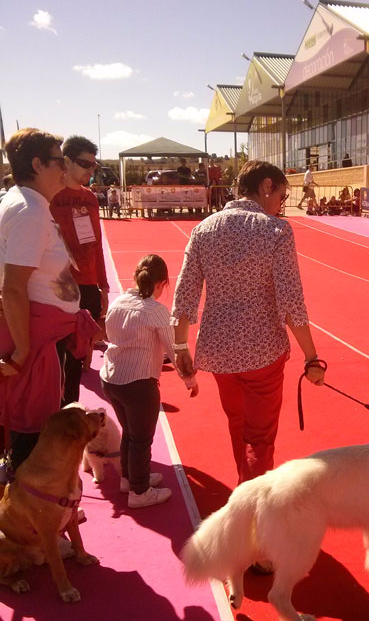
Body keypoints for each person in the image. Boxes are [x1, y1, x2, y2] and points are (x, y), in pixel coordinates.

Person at [171, 160, 325, 485]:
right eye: (281, 197)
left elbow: (185, 293)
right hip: (262, 353)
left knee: (238, 428)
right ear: (266, 186)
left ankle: (244, 497)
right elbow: (291, 303)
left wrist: (180, 344)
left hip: (218, 353)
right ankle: (252, 514)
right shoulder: (276, 231)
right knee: (260, 439)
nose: (280, 207)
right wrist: (312, 356)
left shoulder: (203, 230)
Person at [0, 129, 99, 469]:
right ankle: (28, 514)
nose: (65, 166)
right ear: (38, 164)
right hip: (35, 341)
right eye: (59, 160)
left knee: (33, 430)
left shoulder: (27, 204)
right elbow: (12, 286)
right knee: (33, 439)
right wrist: (23, 351)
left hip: (43, 336)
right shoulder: (30, 211)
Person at [100, 254, 197, 508]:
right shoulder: (155, 311)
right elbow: (174, 350)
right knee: (141, 438)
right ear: (162, 283)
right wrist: (190, 381)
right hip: (138, 383)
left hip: (111, 379)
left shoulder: (117, 302)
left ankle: (129, 477)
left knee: (129, 432)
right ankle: (139, 491)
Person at [50, 135, 110, 405]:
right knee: (55, 357)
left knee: (76, 357)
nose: (90, 170)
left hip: (87, 286)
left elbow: (96, 242)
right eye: (84, 163)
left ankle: (70, 411)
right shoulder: (51, 196)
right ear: (66, 161)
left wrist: (104, 285)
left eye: (93, 165)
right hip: (59, 287)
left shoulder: (90, 198)